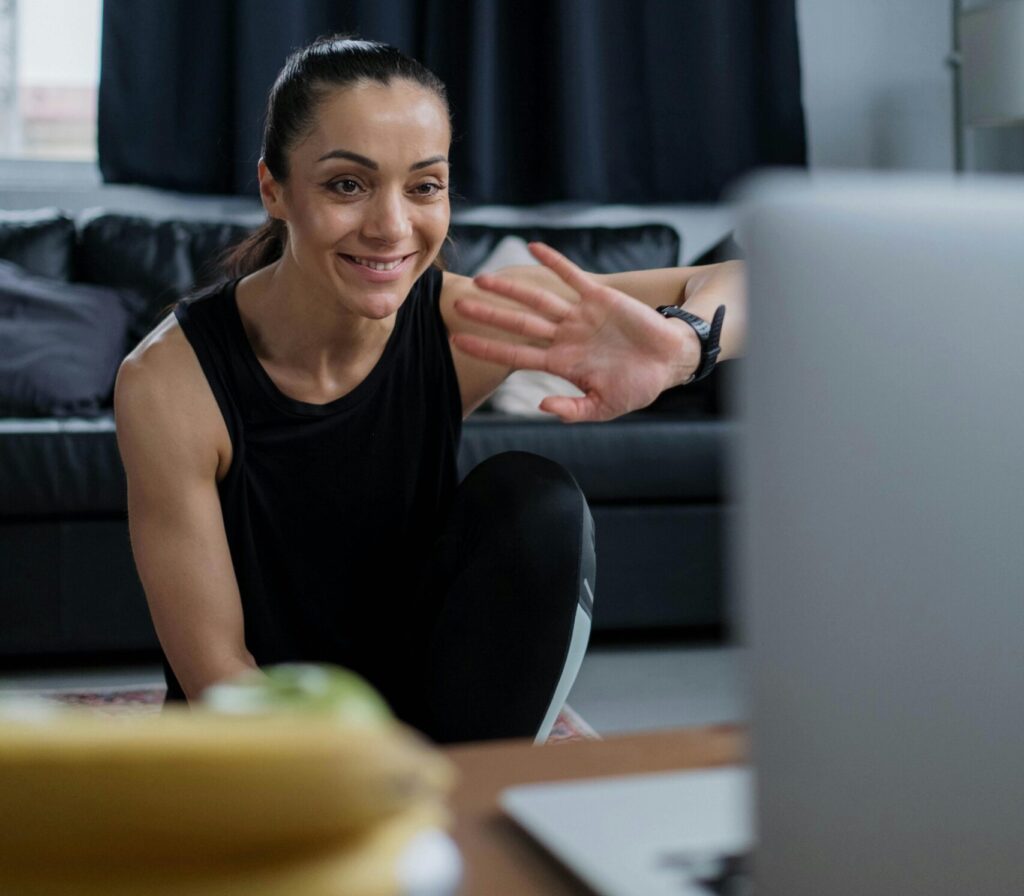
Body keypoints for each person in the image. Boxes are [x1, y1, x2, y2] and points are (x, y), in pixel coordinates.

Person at [114, 35, 746, 743]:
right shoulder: (169, 380)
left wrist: (687, 345)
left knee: (536, 500)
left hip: (434, 721)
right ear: (274, 189)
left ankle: (473, 777)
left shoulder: (461, 321)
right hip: (263, 744)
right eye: (347, 184)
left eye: (424, 186)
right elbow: (220, 677)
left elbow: (756, 278)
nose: (391, 228)